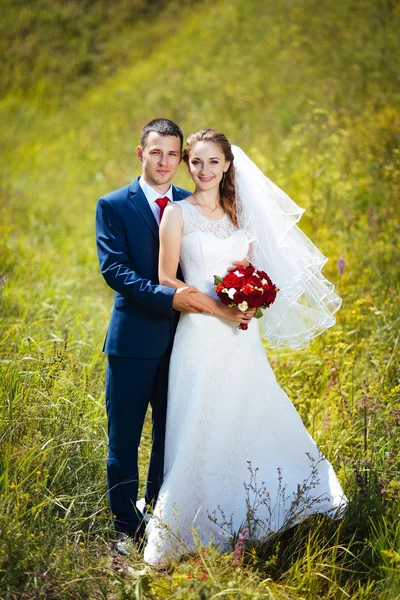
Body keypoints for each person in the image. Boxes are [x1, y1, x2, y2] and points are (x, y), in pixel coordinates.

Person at [143, 129, 348, 567]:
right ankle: (188, 527)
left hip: (241, 335)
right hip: (199, 333)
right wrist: (217, 306)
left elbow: (251, 270)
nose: (204, 171)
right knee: (200, 421)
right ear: (187, 165)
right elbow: (166, 279)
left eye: (213, 162)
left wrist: (251, 298)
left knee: (249, 414)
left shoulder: (241, 215)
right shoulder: (176, 214)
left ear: (227, 165)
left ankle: (254, 513)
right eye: (195, 162)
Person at [95, 120, 251, 554]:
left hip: (189, 344)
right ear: (140, 153)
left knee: (172, 438)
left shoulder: (192, 203)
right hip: (133, 342)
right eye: (155, 152)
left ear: (180, 158)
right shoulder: (113, 205)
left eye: (171, 154)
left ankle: (160, 519)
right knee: (123, 439)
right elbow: (116, 272)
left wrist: (242, 295)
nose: (164, 162)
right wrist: (171, 300)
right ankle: (126, 527)